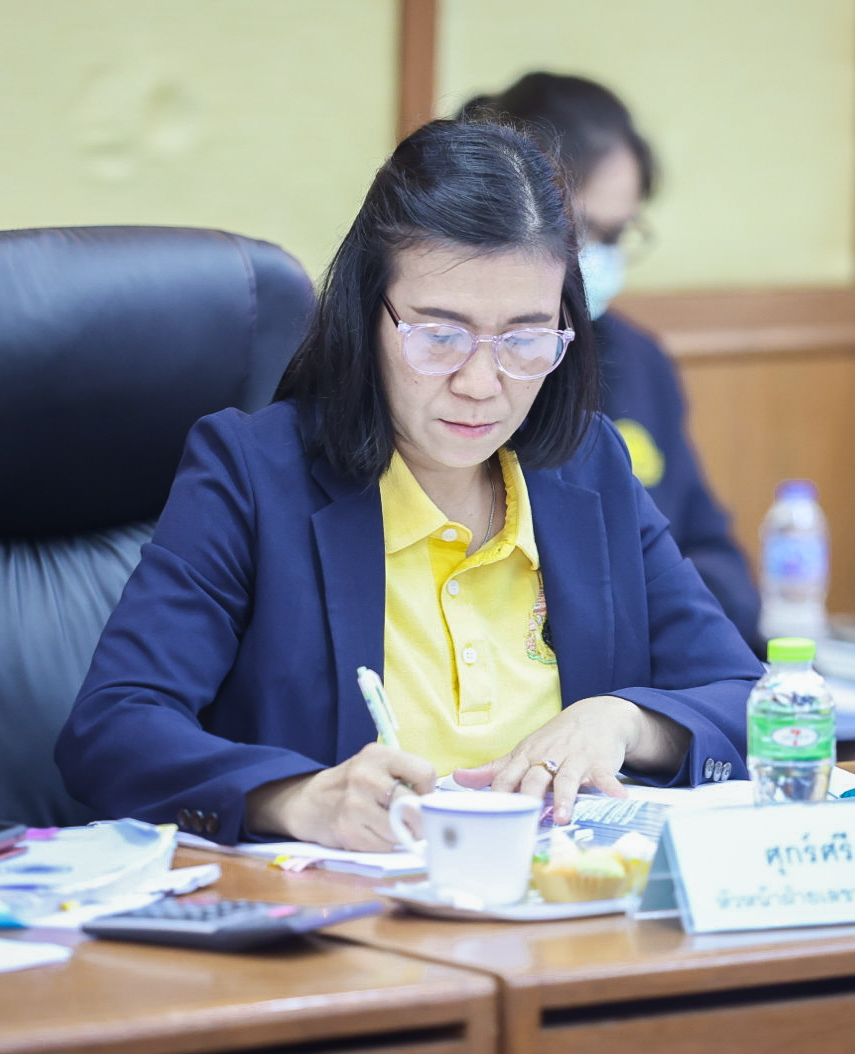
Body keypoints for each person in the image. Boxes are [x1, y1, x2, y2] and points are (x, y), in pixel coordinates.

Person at [55, 120, 760, 852]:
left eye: (524, 339)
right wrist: (296, 799)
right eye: (440, 336)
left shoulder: (588, 468)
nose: (481, 383)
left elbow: (749, 700)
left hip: (564, 903)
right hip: (348, 910)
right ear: (367, 315)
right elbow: (113, 730)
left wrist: (623, 721)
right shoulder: (255, 474)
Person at [461, 73, 762, 652]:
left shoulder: (642, 360)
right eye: (582, 229)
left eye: (617, 235)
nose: (596, 256)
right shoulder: (466, 371)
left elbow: (710, 554)